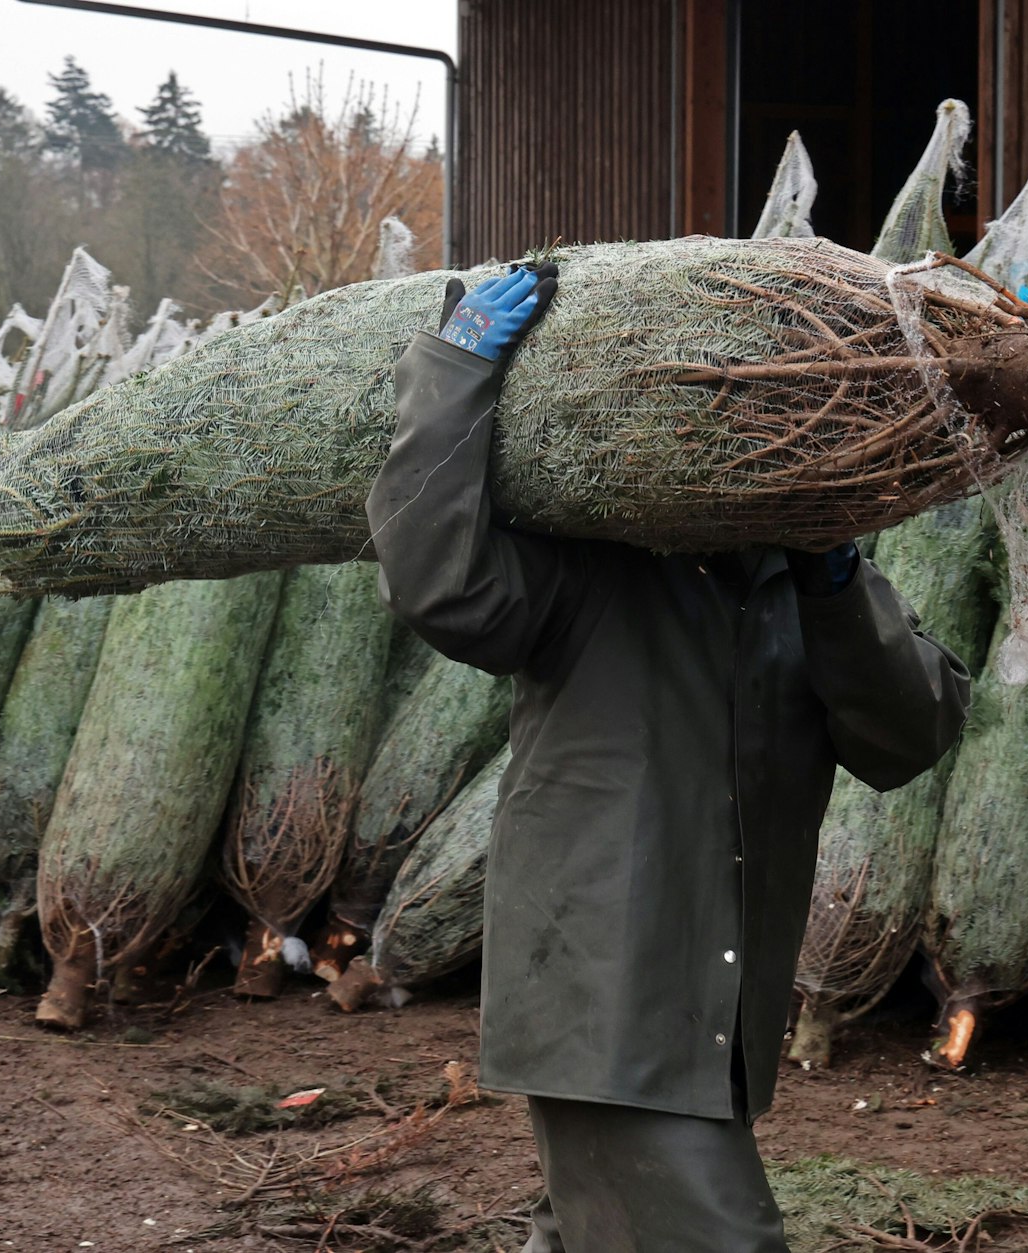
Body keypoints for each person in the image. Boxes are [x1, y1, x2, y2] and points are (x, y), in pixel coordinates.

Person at [367, 263, 973, 1252]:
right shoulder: (602, 565)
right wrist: (450, 375)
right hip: (606, 1001)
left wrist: (834, 573)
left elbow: (906, 733)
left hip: (705, 1016)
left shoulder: (806, 584)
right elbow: (442, 585)